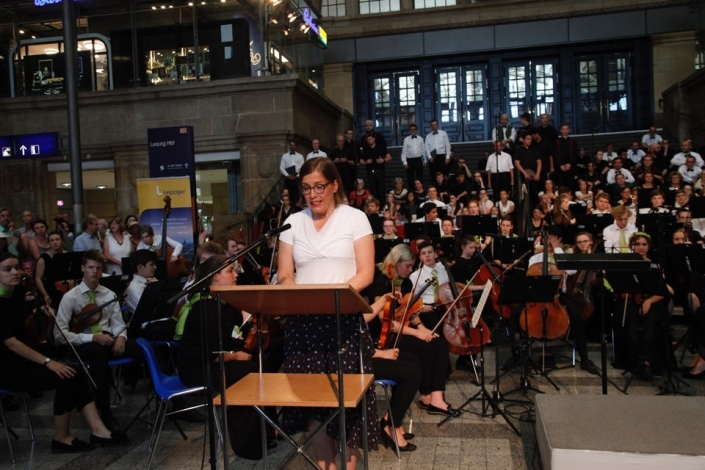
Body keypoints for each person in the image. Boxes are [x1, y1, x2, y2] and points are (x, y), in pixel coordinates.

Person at [276, 157, 379, 469]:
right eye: (306, 188)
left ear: (335, 185)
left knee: (345, 403)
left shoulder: (355, 218)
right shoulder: (292, 222)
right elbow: (284, 276)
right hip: (303, 324)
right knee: (313, 405)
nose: (313, 193)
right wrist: (299, 296)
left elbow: (366, 273)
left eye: (320, 186)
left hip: (343, 320)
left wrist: (331, 298)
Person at [0, 252, 128, 453]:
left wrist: (39, 312)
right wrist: (49, 362)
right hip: (6, 367)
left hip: (23, 360)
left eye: (17, 267)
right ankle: (61, 437)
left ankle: (98, 429)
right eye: (7, 269)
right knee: (66, 376)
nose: (15, 273)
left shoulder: (17, 295)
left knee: (74, 371)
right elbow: (12, 344)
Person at [177, 255, 279, 460]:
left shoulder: (224, 303)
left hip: (217, 358)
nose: (235, 275)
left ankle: (266, 430)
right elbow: (209, 352)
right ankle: (248, 443)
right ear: (215, 277)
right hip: (198, 367)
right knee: (247, 372)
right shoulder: (204, 307)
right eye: (230, 272)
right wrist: (234, 357)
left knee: (265, 359)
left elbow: (230, 336)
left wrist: (246, 346)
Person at [54, 249, 142, 430]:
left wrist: (121, 338)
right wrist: (93, 337)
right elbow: (59, 335)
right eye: (90, 267)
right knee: (98, 353)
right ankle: (105, 411)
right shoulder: (70, 297)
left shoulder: (109, 295)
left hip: (109, 339)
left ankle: (166, 401)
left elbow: (118, 324)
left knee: (144, 347)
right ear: (82, 268)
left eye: (98, 268)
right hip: (83, 343)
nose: (94, 272)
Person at [34, 230, 67, 309]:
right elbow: (38, 278)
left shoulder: (67, 255)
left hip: (65, 288)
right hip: (50, 290)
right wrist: (45, 294)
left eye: (57, 239)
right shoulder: (43, 259)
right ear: (49, 243)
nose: (55, 242)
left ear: (62, 241)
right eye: (52, 240)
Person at [360, 133, 392, 201]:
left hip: (379, 171)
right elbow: (361, 161)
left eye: (370, 139)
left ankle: (382, 205)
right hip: (370, 172)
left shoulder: (380, 147)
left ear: (374, 139)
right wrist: (366, 162)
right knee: (373, 190)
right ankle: (375, 205)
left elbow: (389, 157)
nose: (369, 141)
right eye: (368, 140)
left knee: (381, 189)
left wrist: (383, 160)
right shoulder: (366, 150)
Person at [401, 123, 426, 188]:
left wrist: (424, 161)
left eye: (414, 129)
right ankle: (411, 193)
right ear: (409, 130)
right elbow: (404, 152)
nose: (413, 131)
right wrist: (405, 162)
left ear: (416, 130)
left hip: (419, 160)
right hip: (409, 160)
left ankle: (421, 192)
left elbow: (423, 151)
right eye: (411, 129)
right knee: (410, 178)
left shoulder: (420, 139)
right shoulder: (406, 139)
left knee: (420, 177)